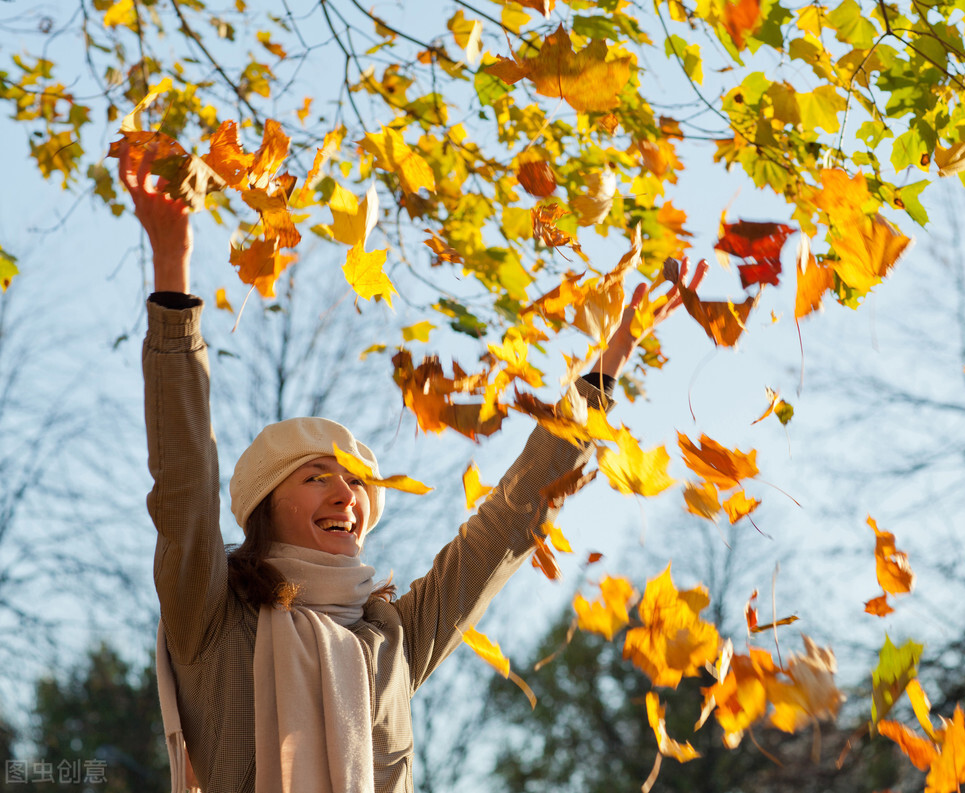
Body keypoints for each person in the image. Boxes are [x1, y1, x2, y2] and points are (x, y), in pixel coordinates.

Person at [121, 142, 685, 793]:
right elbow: (185, 483)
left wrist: (603, 373)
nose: (345, 493)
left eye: (358, 482)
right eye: (314, 476)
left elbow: (503, 528)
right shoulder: (211, 613)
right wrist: (172, 268)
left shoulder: (392, 639)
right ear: (263, 510)